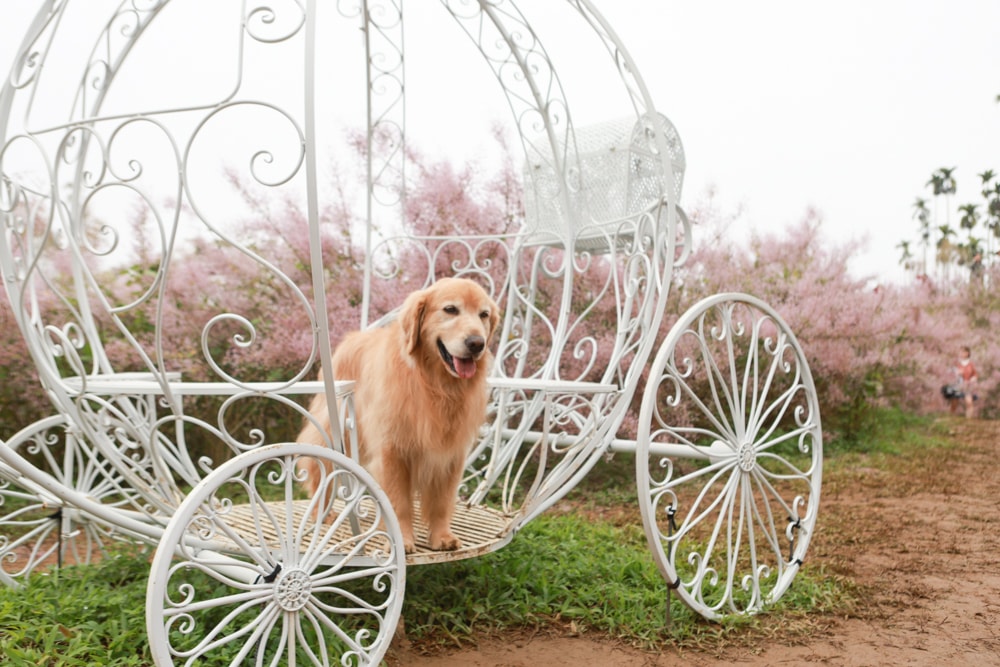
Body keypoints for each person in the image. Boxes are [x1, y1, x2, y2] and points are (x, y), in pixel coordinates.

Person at [953, 346, 979, 419]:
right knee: (954, 403)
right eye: (961, 352)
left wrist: (973, 378)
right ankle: (951, 419)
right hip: (957, 385)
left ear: (968, 353)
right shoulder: (956, 363)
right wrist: (957, 373)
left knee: (969, 403)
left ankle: (968, 420)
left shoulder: (971, 364)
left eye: (965, 352)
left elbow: (975, 374)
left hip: (967, 385)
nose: (963, 353)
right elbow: (950, 373)